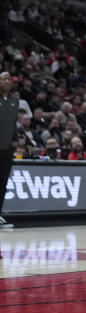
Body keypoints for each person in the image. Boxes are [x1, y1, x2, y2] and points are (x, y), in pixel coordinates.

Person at [0, 72, 18, 228]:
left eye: (8, 79)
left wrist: (16, 139)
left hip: (7, 148)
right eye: (3, 79)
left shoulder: (14, 101)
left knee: (3, 183)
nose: (6, 81)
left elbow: (13, 122)